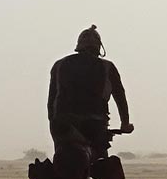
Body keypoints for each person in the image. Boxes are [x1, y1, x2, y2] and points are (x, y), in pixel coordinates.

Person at [47, 24, 133, 169]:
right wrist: (125, 123)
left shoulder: (59, 65)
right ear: (99, 47)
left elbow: (51, 103)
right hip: (94, 127)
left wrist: (55, 124)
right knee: (102, 171)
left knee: (60, 165)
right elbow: (120, 96)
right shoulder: (107, 67)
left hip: (63, 128)